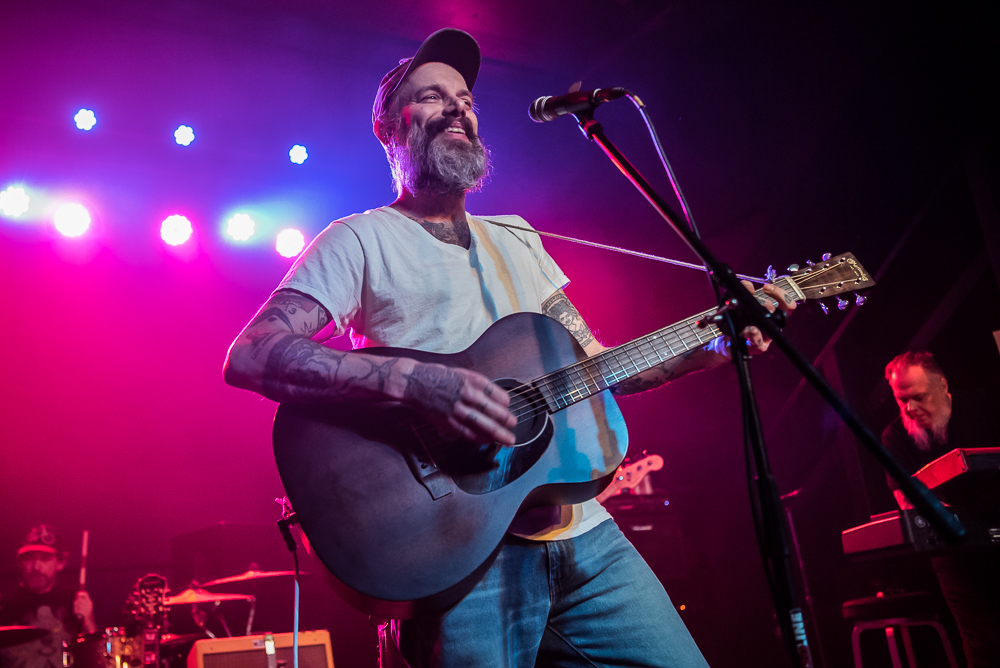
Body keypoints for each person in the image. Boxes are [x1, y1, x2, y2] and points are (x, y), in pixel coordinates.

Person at [224, 28, 794, 667]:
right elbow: (252, 352)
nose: (457, 108)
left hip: (588, 541)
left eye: (465, 97)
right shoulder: (358, 239)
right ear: (389, 128)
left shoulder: (519, 238)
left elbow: (595, 366)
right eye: (433, 96)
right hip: (456, 554)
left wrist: (709, 343)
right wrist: (421, 384)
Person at [882, 351, 1000, 668]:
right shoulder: (895, 437)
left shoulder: (983, 406)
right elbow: (908, 503)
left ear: (942, 385)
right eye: (900, 399)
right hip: (956, 557)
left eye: (918, 397)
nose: (909, 408)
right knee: (984, 646)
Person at [0, 525, 97, 668]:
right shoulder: (5, 604)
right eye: (29, 559)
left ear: (60, 562)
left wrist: (89, 620)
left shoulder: (75, 599)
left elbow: (97, 656)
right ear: (19, 563)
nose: (36, 567)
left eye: (45, 559)